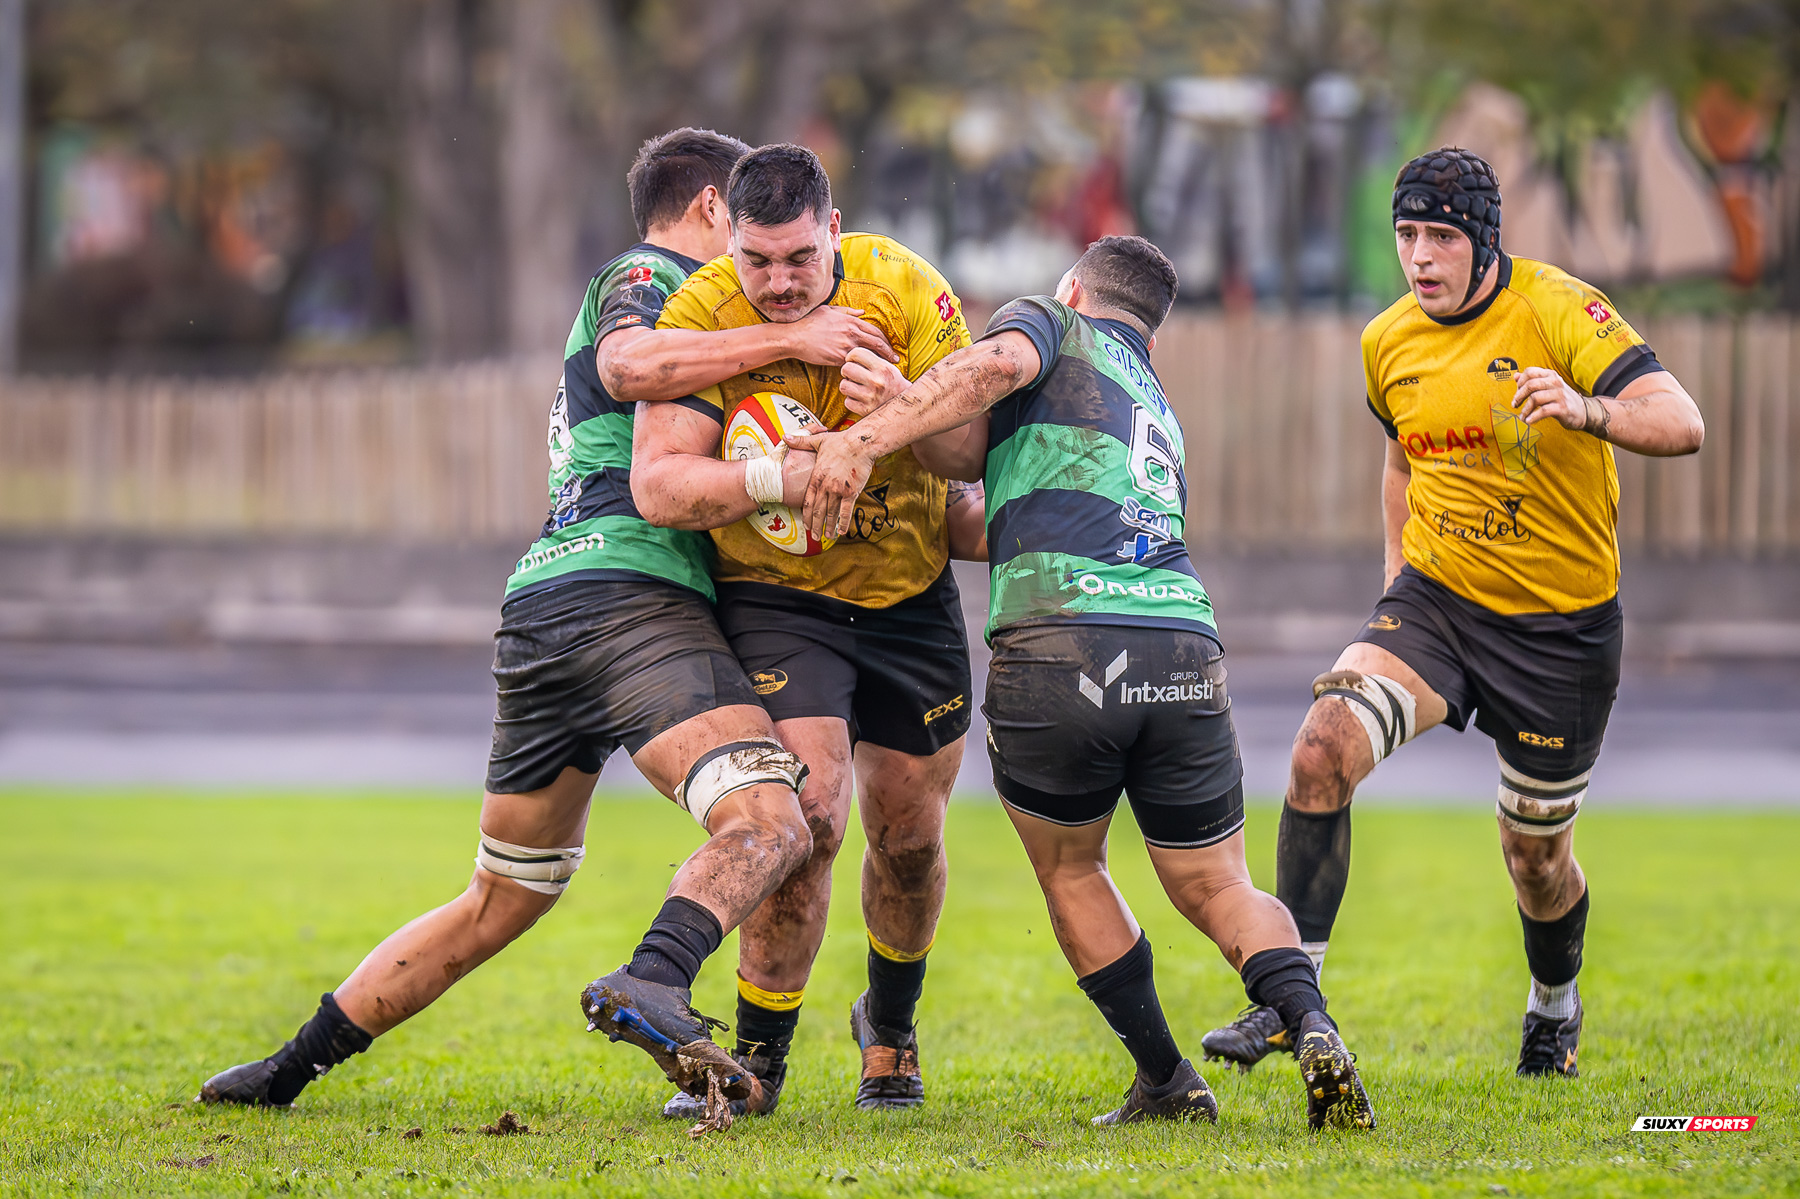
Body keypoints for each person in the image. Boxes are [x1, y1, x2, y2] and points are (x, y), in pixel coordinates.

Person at [196, 129, 829, 1126]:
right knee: (774, 819)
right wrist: (797, 340)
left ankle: (287, 1066)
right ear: (712, 207)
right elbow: (628, 366)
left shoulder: (699, 321)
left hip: (544, 609)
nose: (764, 264)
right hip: (627, 596)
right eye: (746, 226)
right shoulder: (651, 274)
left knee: (504, 893)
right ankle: (654, 979)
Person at [788, 234, 1376, 1131]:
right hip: (1182, 643)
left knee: (1073, 867)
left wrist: (868, 433)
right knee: (1220, 883)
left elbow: (991, 368)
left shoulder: (1049, 323)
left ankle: (1166, 1078)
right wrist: (911, 418)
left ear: (1073, 288)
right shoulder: (1152, 405)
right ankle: (1313, 1022)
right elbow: (988, 509)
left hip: (1059, 642)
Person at [1200, 147, 1704, 1079]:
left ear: (1482, 240)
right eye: (1406, 235)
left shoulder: (1559, 309)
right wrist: (1397, 586)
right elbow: (1401, 460)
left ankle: (1553, 1007)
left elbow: (1682, 420)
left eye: (1440, 236)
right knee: (1319, 748)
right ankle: (1290, 1000)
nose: (1421, 256)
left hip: (1561, 629)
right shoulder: (1388, 340)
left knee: (1536, 860)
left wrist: (1588, 409)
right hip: (1438, 606)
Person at [611, 143, 976, 1116]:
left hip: (909, 599)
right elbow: (662, 485)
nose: (777, 283)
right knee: (809, 815)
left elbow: (972, 450)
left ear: (836, 233)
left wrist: (899, 409)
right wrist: (783, 475)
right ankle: (760, 1056)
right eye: (758, 259)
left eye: (799, 261)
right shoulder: (701, 315)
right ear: (729, 236)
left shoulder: (907, 287)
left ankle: (888, 1026)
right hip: (780, 599)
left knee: (908, 833)